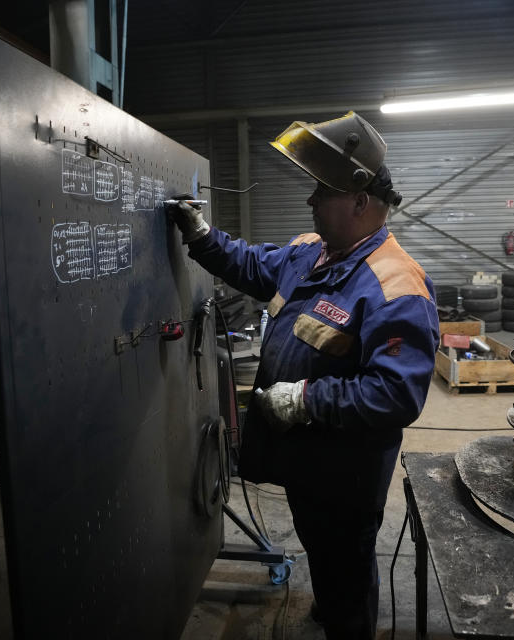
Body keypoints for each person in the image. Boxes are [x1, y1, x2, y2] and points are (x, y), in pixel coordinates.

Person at [167, 111, 439, 639]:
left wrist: (307, 399)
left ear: (361, 202)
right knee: (319, 543)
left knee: (348, 552)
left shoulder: (395, 285)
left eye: (321, 192)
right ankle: (332, 607)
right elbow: (249, 263)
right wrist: (200, 236)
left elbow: (396, 393)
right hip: (305, 459)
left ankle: (348, 625)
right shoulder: (312, 253)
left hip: (346, 470)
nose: (310, 202)